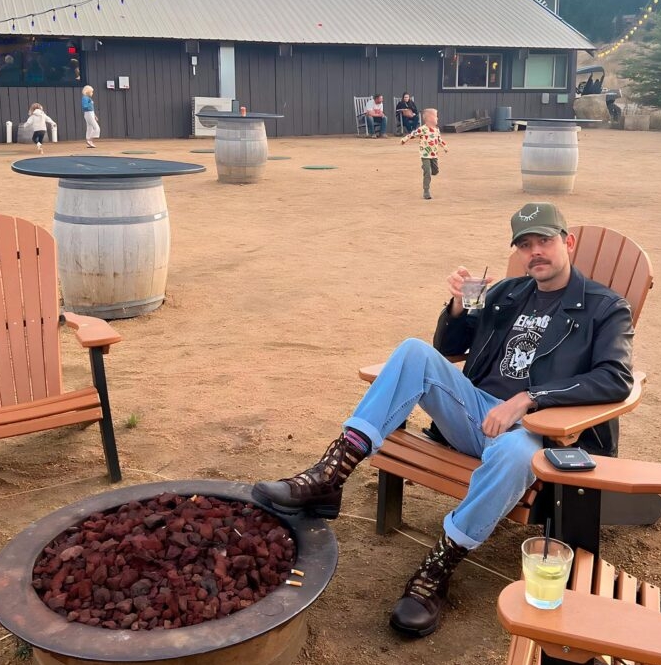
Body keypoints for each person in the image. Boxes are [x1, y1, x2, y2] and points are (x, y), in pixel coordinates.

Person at [253, 202, 634, 638]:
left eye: (544, 241)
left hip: (543, 435)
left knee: (514, 449)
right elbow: (449, 346)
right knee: (414, 350)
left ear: (568, 243)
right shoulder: (508, 293)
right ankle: (330, 475)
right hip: (476, 416)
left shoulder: (606, 308)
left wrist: (529, 400)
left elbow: (616, 377)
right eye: (525, 245)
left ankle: (437, 569)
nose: (535, 253)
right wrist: (457, 307)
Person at [400, 108, 448, 200]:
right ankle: (426, 191)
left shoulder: (436, 130)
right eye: (436, 116)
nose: (437, 118)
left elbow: (439, 139)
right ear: (429, 118)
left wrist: (444, 146)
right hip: (425, 154)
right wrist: (404, 139)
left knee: (435, 171)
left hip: (434, 154)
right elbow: (412, 134)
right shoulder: (422, 129)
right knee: (428, 172)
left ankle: (427, 168)